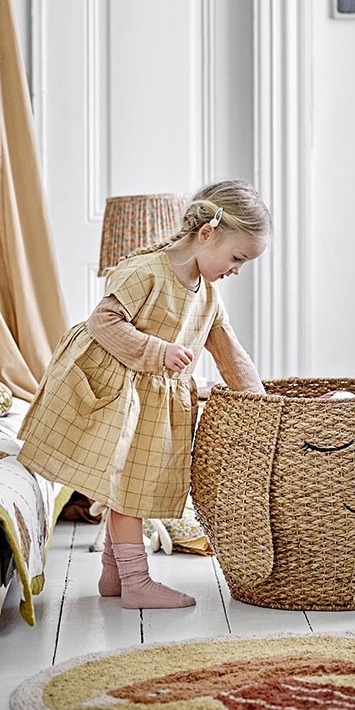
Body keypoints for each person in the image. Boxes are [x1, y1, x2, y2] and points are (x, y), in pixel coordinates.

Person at [17, 180, 271, 609]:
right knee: (128, 488)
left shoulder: (208, 297)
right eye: (237, 258)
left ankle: (114, 575)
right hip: (115, 390)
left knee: (134, 483)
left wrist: (265, 403)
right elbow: (104, 321)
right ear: (206, 234)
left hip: (150, 401)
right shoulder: (147, 271)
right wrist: (159, 351)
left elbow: (230, 353)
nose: (237, 270)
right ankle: (136, 582)